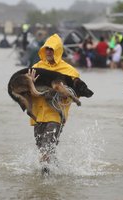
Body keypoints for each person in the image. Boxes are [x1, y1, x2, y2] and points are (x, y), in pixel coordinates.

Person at [27, 34, 80, 170]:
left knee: (46, 150)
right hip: (37, 116)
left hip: (56, 116)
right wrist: (30, 84)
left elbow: (75, 95)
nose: (49, 52)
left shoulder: (69, 71)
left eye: (51, 49)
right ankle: (58, 170)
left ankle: (45, 182)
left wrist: (61, 91)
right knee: (44, 149)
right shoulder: (36, 67)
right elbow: (28, 93)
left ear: (58, 50)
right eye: (46, 49)